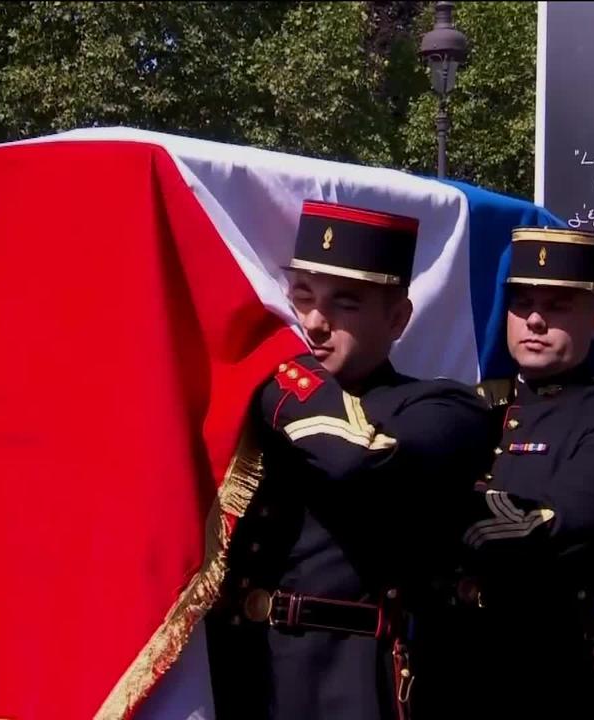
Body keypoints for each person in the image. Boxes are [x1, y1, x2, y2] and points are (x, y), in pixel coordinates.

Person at [205, 199, 493, 720]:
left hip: (344, 675)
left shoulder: (444, 408)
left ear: (399, 317)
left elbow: (354, 459)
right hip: (235, 667)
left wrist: (273, 365)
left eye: (346, 304)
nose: (315, 323)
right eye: (302, 297)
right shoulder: (254, 404)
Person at [424, 227, 594, 718]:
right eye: (521, 303)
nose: (534, 319)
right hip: (444, 666)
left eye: (557, 305)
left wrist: (426, 509)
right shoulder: (472, 408)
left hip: (546, 671)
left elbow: (549, 527)